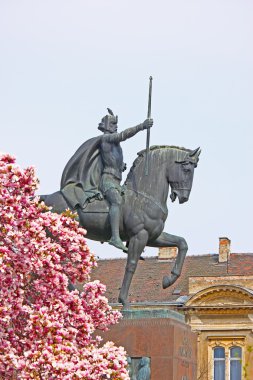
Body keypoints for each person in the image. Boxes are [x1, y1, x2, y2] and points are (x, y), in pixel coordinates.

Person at [60, 109, 153, 252]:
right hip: (107, 180)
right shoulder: (106, 138)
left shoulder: (116, 145)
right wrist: (141, 126)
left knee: (130, 204)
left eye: (116, 124)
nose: (116, 126)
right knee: (116, 201)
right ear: (107, 125)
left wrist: (121, 166)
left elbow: (110, 160)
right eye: (113, 123)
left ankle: (130, 236)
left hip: (117, 181)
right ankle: (115, 237)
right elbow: (123, 135)